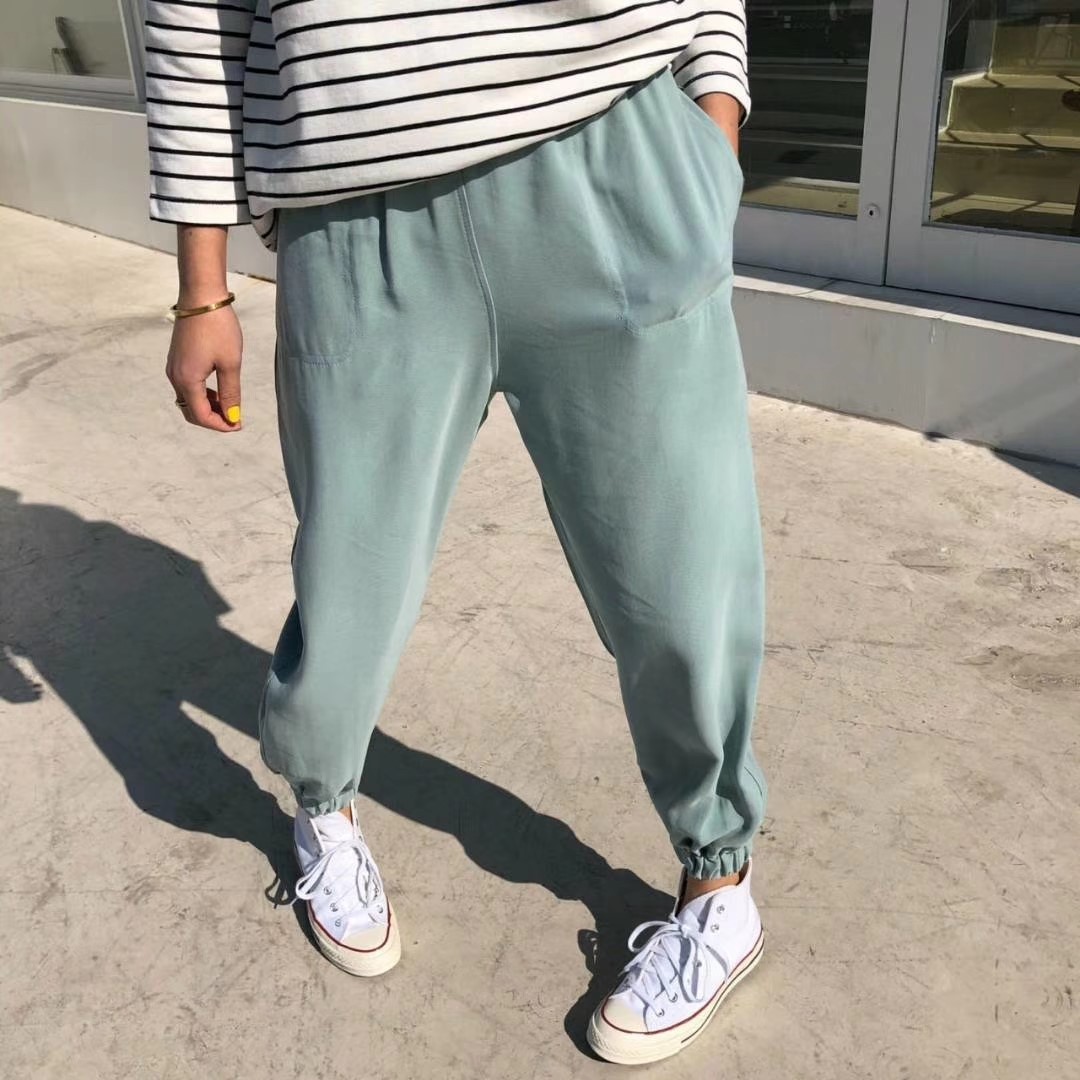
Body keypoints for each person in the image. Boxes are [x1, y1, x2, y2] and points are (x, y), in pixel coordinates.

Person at [147, 1, 766, 1064]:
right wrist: (202, 288)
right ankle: (322, 810)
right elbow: (195, 21)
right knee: (350, 571)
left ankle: (721, 884)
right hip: (357, 211)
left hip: (611, 155)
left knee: (680, 570)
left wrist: (713, 120)